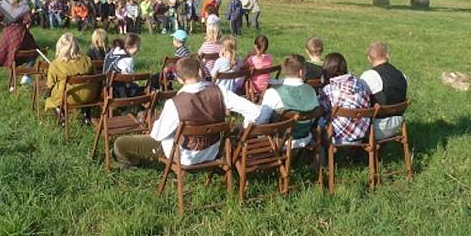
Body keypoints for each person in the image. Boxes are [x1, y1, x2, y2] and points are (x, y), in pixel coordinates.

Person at [112, 55, 260, 168]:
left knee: (120, 143)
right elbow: (255, 112)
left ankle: (133, 163)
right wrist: (242, 128)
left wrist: (157, 124)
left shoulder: (174, 103)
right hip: (214, 151)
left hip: (183, 156)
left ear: (179, 79)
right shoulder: (220, 92)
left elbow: (158, 135)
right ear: (201, 73)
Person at [257, 54, 320, 148]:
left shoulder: (272, 93)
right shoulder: (312, 91)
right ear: (301, 72)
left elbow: (262, 122)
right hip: (306, 137)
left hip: (280, 140)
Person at [319, 52, 371, 144]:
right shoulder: (359, 84)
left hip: (338, 137)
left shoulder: (329, 90)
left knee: (319, 123)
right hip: (361, 133)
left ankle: (322, 157)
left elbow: (320, 110)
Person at [359, 42, 408, 139]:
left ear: (369, 58)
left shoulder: (369, 76)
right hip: (398, 123)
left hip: (377, 127)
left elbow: (358, 99)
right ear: (387, 55)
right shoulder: (402, 75)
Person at [43, 33, 99, 114]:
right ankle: (86, 115)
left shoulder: (55, 64)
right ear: (76, 46)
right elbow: (94, 75)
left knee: (52, 96)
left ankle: (61, 116)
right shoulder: (87, 60)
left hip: (67, 97)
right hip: (90, 95)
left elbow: (50, 84)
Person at [0, 0, 38, 68]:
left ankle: (14, 74)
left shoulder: (4, 3)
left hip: (7, 33)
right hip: (21, 33)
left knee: (11, 55)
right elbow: (28, 20)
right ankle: (26, 75)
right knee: (34, 52)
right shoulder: (25, 5)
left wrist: (5, 23)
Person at [244, 35, 274, 99]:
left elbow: (242, 67)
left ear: (255, 46)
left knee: (245, 80)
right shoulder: (270, 57)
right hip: (266, 87)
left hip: (254, 88)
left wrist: (247, 56)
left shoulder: (252, 59)